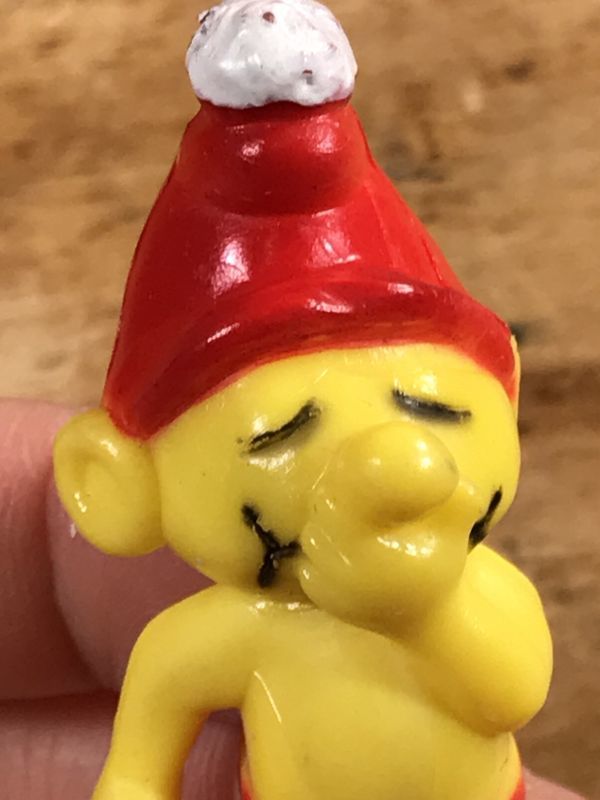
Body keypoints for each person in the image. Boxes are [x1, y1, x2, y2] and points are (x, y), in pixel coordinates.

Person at [0, 398, 586, 798]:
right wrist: (136, 782)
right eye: (280, 436)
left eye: (433, 410)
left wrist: (425, 613)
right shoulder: (247, 628)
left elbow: (512, 697)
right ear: (135, 485)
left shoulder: (480, 588)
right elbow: (158, 707)